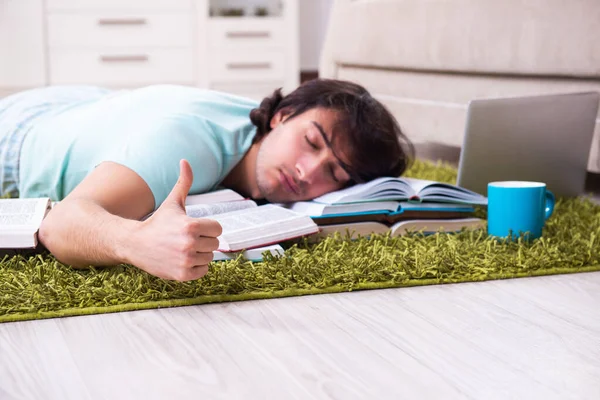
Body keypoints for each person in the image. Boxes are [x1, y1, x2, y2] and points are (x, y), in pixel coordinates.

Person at [0, 79, 414, 281]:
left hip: (87, 103)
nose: (308, 172)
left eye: (336, 174)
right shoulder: (185, 142)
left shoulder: (270, 133)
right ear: (281, 116)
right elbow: (60, 224)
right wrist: (134, 241)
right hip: (18, 136)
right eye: (310, 142)